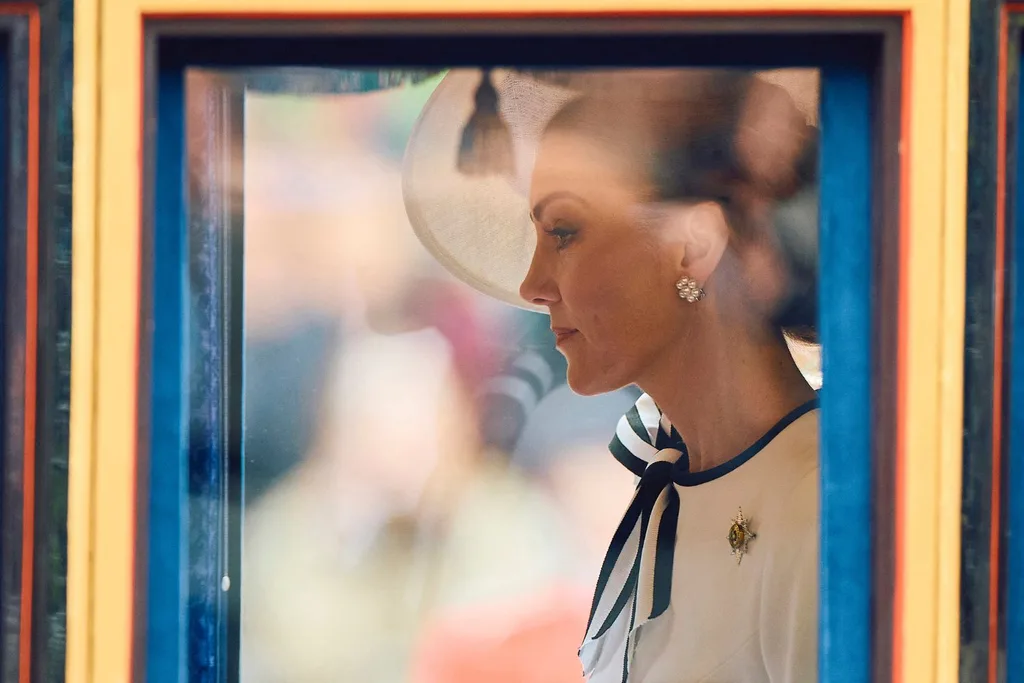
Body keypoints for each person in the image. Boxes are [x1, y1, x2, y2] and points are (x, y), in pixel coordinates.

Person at [402, 67, 821, 682]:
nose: (532, 285)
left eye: (565, 231)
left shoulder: (815, 508)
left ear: (693, 246)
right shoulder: (668, 487)